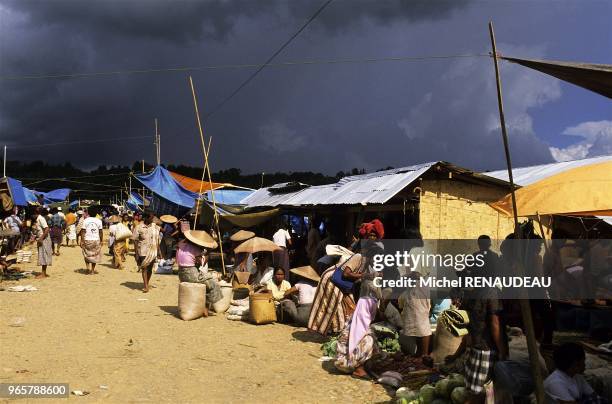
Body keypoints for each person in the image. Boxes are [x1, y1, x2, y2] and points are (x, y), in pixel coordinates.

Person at [446, 285, 507, 402]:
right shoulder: (491, 292)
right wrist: (503, 352)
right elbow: (495, 324)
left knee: (475, 394)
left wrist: (456, 355)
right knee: (479, 395)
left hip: (475, 350)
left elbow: (467, 332)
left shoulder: (470, 293)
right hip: (486, 351)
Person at [334, 282, 380, 379]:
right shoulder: (358, 325)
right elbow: (355, 340)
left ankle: (361, 365)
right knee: (369, 340)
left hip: (346, 360)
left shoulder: (357, 317)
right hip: (345, 363)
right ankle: (359, 369)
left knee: (371, 337)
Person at [176, 230, 222, 315]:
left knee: (207, 279)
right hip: (191, 275)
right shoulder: (195, 249)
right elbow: (202, 263)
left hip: (181, 273)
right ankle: (206, 308)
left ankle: (203, 307)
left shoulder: (181, 245)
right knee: (212, 284)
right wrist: (207, 252)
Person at [398, 271, 432, 359]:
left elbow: (401, 304)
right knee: (421, 332)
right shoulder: (422, 288)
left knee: (421, 332)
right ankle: (422, 355)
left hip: (420, 316)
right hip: (422, 316)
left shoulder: (416, 289)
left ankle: (423, 355)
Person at [134, 212, 161, 292]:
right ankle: (146, 286)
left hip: (152, 251)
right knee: (144, 268)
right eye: (151, 218)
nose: (152, 219)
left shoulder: (155, 227)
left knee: (150, 269)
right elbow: (135, 240)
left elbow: (157, 239)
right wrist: (136, 253)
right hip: (142, 251)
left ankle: (146, 283)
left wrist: (159, 251)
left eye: (153, 218)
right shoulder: (138, 227)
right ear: (146, 218)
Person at [79, 209, 103, 274]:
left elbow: (83, 231)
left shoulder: (86, 220)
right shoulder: (99, 221)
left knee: (86, 254)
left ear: (88, 213)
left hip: (87, 239)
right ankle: (92, 270)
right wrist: (101, 240)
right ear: (96, 214)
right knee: (95, 255)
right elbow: (100, 232)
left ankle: (87, 268)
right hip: (96, 240)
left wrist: (82, 240)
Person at [32, 208, 52, 278]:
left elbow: (46, 229)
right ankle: (43, 273)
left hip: (44, 239)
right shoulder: (38, 219)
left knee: (44, 255)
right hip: (42, 239)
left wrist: (41, 238)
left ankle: (43, 274)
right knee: (42, 255)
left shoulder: (41, 219)